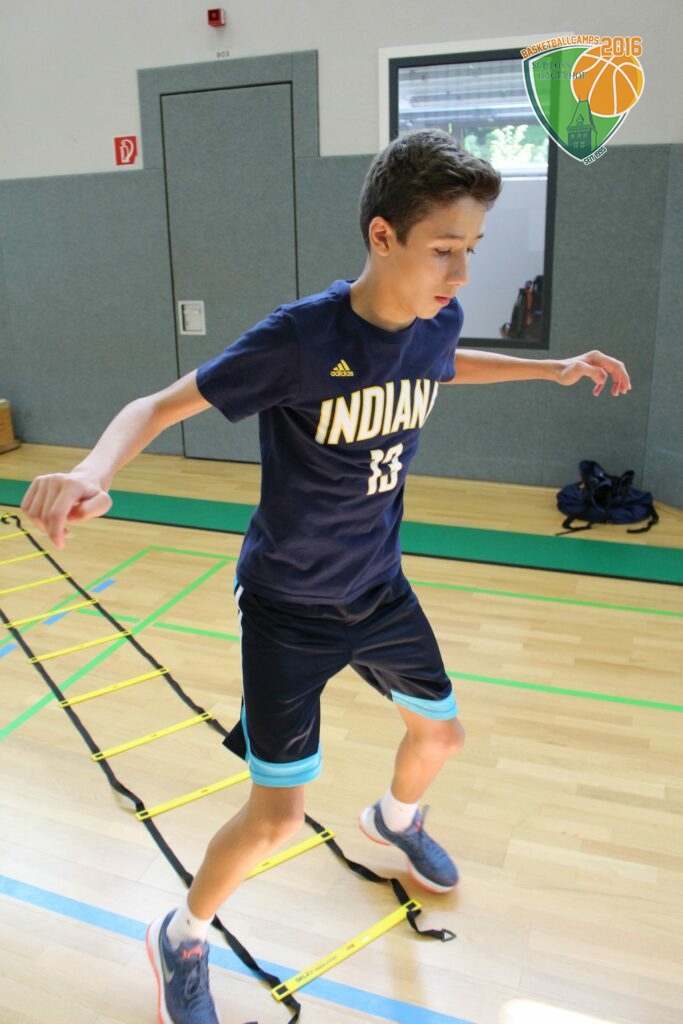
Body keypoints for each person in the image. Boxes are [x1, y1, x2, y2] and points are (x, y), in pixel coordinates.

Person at [20, 129, 630, 1024]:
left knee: (441, 738)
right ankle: (181, 933)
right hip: (288, 607)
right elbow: (156, 405)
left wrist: (551, 370)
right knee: (274, 818)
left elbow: (442, 363)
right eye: (443, 249)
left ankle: (392, 823)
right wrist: (92, 471)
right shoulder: (301, 338)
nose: (461, 274)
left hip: (377, 588)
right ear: (383, 236)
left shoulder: (434, 320)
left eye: (471, 248)